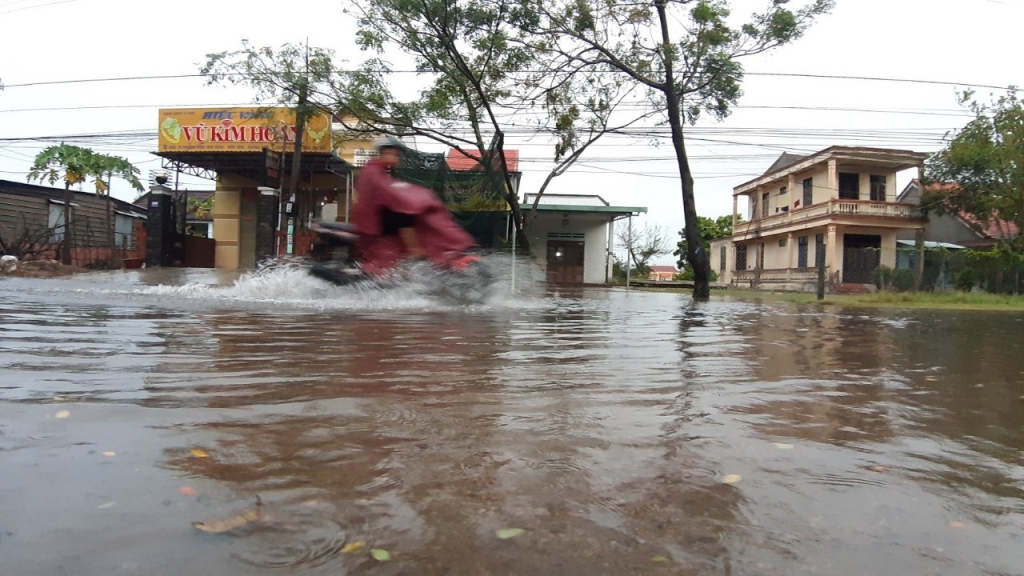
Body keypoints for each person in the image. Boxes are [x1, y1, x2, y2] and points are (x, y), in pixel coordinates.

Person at [349, 136, 476, 278]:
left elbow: (390, 190)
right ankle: (414, 249)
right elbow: (387, 193)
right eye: (393, 154)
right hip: (379, 223)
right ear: (383, 153)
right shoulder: (373, 172)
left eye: (397, 155)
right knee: (407, 213)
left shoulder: (378, 171)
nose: (396, 158)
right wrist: (412, 196)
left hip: (381, 220)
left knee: (414, 214)